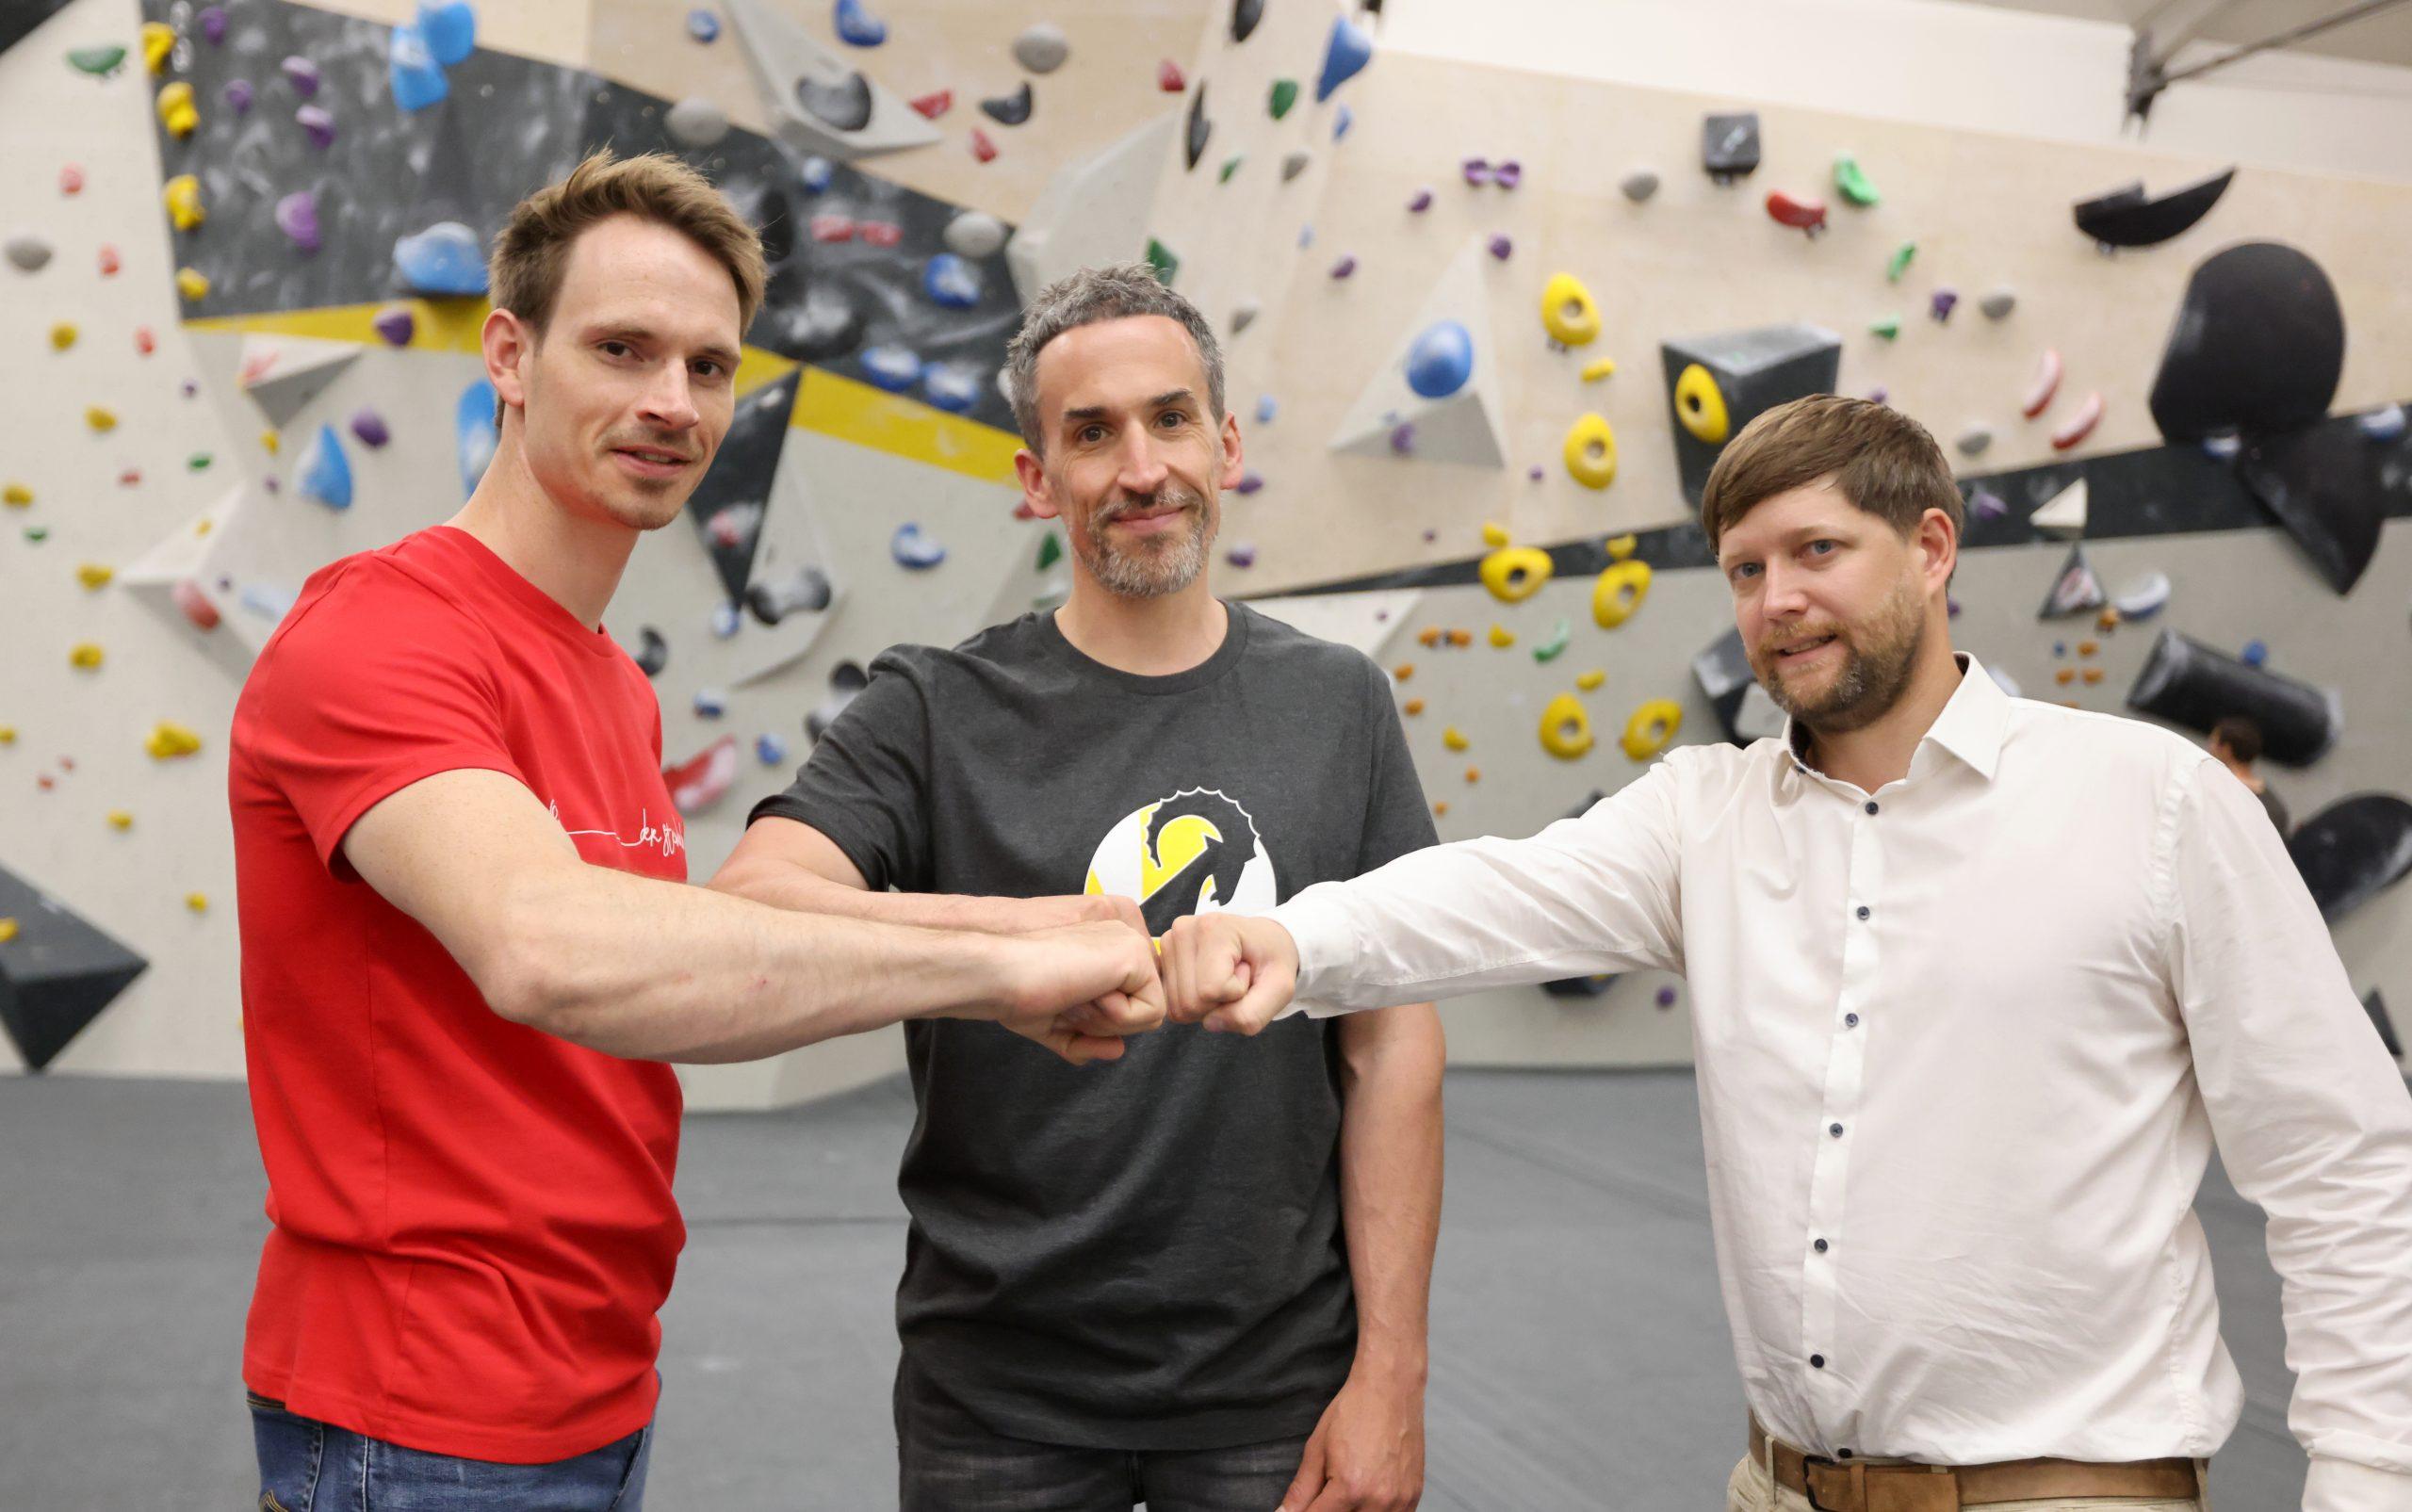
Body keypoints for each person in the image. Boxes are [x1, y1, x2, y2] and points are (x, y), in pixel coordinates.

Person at [1162, 395, 2412, 1512]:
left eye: (1818, 551)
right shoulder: (1705, 814)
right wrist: (1285, 939)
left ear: (1931, 548)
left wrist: (2368, 1478)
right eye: (1745, 570)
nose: (1777, 602)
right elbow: (1492, 893)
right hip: (1780, 1487)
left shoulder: (2154, 802)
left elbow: (2342, 1163)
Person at [227, 153, 1161, 1512]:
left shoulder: (610, 680)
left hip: (589, 1383)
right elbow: (550, 950)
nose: (673, 401)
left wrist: (1037, 927)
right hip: (416, 1406)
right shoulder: (381, 632)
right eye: (622, 349)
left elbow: (693, 952)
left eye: (709, 366)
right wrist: (1000, 970)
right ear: (509, 354)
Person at [710, 263, 1446, 1512]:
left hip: (1277, 1388)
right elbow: (752, 908)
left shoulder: (1340, 704)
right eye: (1092, 433)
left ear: (1226, 444)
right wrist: (1009, 950)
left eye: (1170, 419)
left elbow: (1394, 1045)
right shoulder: (933, 706)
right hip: (999, 1394)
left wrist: (1394, 1373)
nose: (1141, 468)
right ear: (1036, 478)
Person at [2209, 714, 2290, 835]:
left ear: (2226, 749)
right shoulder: (2275, 807)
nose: (2209, 748)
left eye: (2213, 742)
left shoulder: (2215, 789)